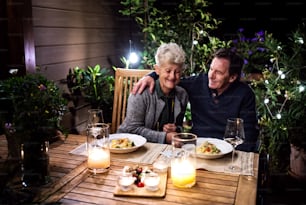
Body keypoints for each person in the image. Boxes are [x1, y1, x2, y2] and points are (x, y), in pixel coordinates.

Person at [132, 48, 259, 152]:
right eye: (211, 69)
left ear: (232, 77)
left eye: (218, 72)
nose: (211, 75)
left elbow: (248, 136)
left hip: (229, 152)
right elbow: (171, 78)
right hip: (198, 150)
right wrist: (150, 76)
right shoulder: (198, 83)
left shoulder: (245, 94)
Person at [117, 42, 188, 144]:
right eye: (168, 71)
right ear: (157, 70)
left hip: (166, 151)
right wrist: (165, 137)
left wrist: (176, 129)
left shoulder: (182, 95)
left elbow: (180, 127)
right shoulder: (141, 93)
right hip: (131, 147)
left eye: (177, 72)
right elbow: (131, 129)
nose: (172, 76)